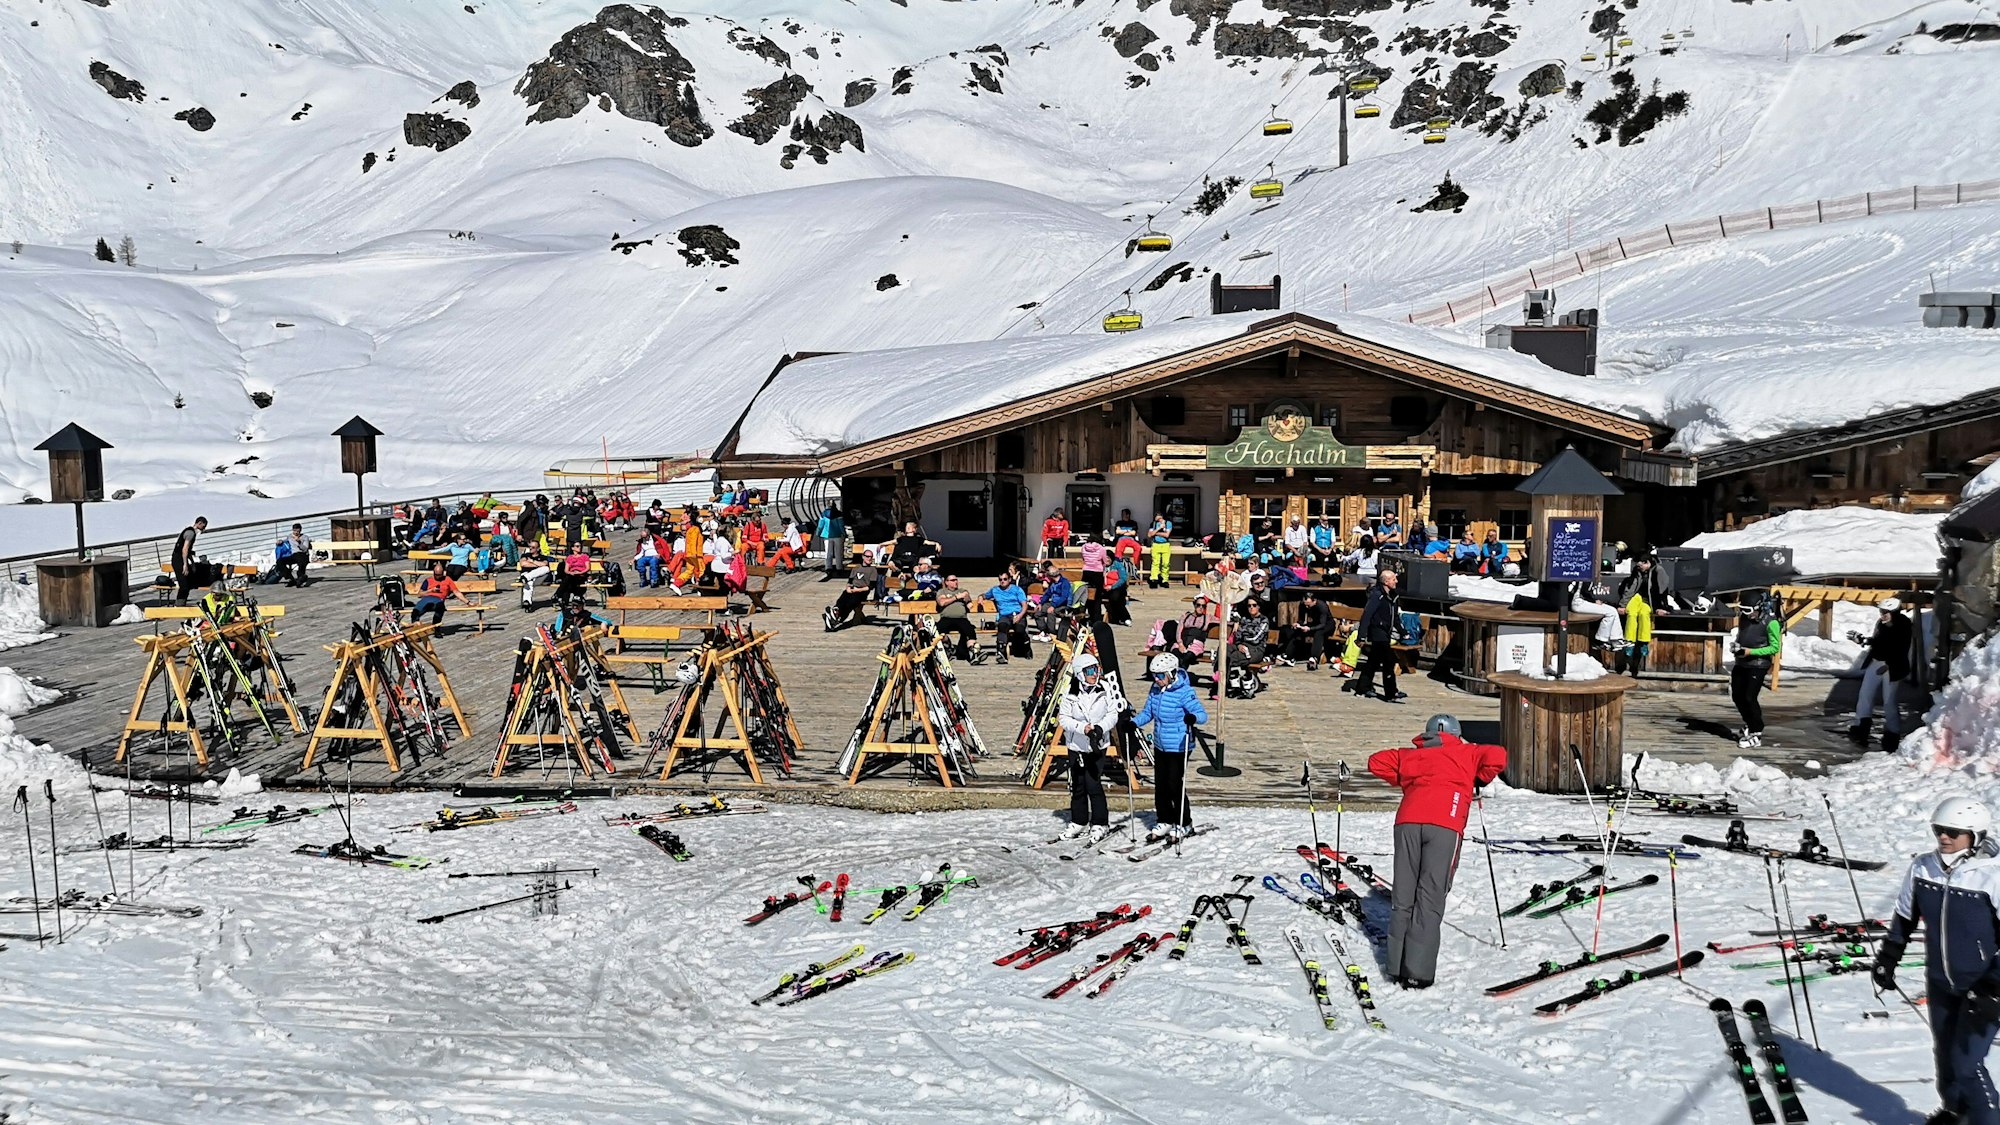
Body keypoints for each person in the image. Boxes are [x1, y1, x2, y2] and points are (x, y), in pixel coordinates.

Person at [1874, 797, 2000, 1125]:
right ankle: (1955, 1112)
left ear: (1974, 836)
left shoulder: (1992, 875)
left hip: (1983, 988)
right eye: (1939, 830)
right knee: (1944, 1055)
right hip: (1941, 981)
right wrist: (1889, 957)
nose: (1944, 837)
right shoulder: (1922, 867)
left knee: (1966, 1064)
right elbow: (1904, 916)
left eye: (1953, 832)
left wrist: (1993, 990)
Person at [1367, 714, 1508, 988]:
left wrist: (1407, 779)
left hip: (1407, 821)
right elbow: (1498, 755)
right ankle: (1417, 972)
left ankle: (1396, 965)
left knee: (1404, 894)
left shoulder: (1411, 755)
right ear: (1457, 733)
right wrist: (1477, 776)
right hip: (1445, 821)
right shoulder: (1467, 752)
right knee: (1430, 894)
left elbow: (1376, 761)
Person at [1133, 653, 1208, 838]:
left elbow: (1202, 714)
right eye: (1154, 676)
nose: (1156, 679)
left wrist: (1193, 717)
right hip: (1160, 744)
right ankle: (1165, 819)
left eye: (1160, 676)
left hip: (1179, 746)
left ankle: (1185, 823)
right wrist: (1134, 722)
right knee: (1161, 785)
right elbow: (1147, 712)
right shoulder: (1155, 689)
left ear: (1171, 673)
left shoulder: (1184, 692)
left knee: (1174, 784)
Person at [1057, 653, 1120, 844]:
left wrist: (1100, 728)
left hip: (1097, 744)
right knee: (1078, 784)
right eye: (1090, 671)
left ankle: (1100, 822)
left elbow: (1113, 713)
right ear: (1080, 674)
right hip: (1076, 744)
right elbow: (1064, 718)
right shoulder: (1070, 692)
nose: (1095, 674)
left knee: (1093, 783)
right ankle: (1078, 820)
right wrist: (1081, 728)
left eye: (1097, 669)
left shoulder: (1105, 688)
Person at [1850, 598, 1915, 751]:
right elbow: (1879, 641)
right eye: (1881, 612)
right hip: (1877, 661)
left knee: (1889, 700)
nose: (1883, 615)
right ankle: (1861, 727)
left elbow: (1900, 648)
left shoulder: (1903, 625)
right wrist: (1864, 640)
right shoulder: (1882, 624)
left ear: (1895, 613)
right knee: (1865, 694)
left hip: (1893, 666)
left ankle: (1892, 733)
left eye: (1886, 612)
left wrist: (1887, 666)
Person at [1729, 593, 1782, 748]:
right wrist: (1737, 648)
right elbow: (1743, 635)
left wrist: (1750, 652)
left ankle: (1756, 731)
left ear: (1759, 608)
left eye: (1748, 610)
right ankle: (1749, 723)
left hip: (1758, 664)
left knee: (1749, 697)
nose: (1745, 614)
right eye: (1742, 610)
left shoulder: (1771, 623)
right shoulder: (1744, 619)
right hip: (1742, 662)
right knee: (1737, 696)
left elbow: (1775, 647)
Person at [1349, 568, 1405, 702]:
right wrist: (1361, 636)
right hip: (1377, 632)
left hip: (1386, 631)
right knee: (1388, 661)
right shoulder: (1377, 595)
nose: (1396, 581)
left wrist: (1403, 632)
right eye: (1393, 579)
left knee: (1373, 662)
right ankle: (1391, 693)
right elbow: (1366, 616)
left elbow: (1395, 617)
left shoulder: (1393, 596)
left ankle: (1362, 688)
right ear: (1386, 581)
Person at [985, 572, 1030, 664]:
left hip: (1017, 613)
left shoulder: (1017, 590)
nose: (1002, 581)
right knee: (1002, 627)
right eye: (1000, 579)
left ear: (1009, 579)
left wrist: (1020, 615)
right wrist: (981, 598)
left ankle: (1026, 645)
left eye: (1005, 579)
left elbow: (1024, 606)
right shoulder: (995, 590)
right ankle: (1001, 652)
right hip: (1004, 615)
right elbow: (984, 595)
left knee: (1019, 629)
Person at [933, 575, 979, 660]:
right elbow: (942, 603)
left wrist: (966, 597)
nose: (955, 582)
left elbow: (968, 600)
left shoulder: (962, 591)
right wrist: (956, 597)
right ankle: (948, 646)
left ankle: (973, 653)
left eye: (956, 580)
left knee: (969, 630)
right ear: (946, 582)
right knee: (937, 630)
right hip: (946, 618)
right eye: (952, 580)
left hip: (961, 619)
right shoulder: (942, 592)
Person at [1292, 589, 1337, 671]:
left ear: (1314, 601)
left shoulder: (1322, 606)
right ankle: (1290, 656)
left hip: (1328, 625)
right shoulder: (1303, 604)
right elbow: (1301, 619)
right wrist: (1298, 624)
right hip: (1315, 624)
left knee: (1319, 633)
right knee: (1296, 631)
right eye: (1305, 605)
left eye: (1309, 605)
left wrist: (1309, 628)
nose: (1307, 607)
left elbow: (1322, 624)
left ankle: (1314, 658)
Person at [1030, 564, 1076, 639]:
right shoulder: (1053, 583)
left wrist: (1053, 606)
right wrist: (1040, 603)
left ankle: (1051, 633)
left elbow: (1064, 597)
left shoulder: (1064, 582)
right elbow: (1047, 594)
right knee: (1038, 613)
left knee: (1051, 612)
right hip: (1053, 603)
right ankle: (1044, 631)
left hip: (1063, 604)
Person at [824, 566, 875, 631]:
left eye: (870, 556)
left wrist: (858, 590)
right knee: (843, 597)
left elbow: (871, 586)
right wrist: (848, 587)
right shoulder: (856, 568)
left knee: (850, 603)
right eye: (867, 556)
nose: (869, 558)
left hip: (862, 592)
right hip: (852, 589)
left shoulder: (872, 570)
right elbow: (849, 581)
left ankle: (835, 618)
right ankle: (836, 610)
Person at [172, 516, 208, 604]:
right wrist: (185, 565)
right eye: (203, 526)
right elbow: (185, 549)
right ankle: (179, 604)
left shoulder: (190, 532)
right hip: (178, 560)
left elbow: (188, 551)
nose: (203, 529)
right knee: (184, 585)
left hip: (180, 559)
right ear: (199, 523)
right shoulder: (190, 533)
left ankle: (181, 603)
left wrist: (192, 563)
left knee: (188, 583)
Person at [1617, 586, 1652, 678]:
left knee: (1644, 615)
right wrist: (1622, 605)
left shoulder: (1657, 572)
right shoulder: (1635, 576)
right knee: (1631, 615)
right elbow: (1628, 591)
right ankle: (1629, 642)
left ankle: (1644, 642)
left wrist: (1660, 606)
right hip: (1634, 598)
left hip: (1647, 600)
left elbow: (1660, 590)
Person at [273, 523, 311, 587]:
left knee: (301, 562)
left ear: (300, 531)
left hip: (303, 554)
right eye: (294, 531)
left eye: (298, 531)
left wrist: (299, 543)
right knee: (280, 561)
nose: (296, 533)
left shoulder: (305, 537)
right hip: (294, 555)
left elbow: (305, 549)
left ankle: (301, 577)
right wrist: (280, 542)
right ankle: (290, 578)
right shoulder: (290, 536)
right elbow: (285, 541)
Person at [1102, 554, 1132, 627]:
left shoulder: (1118, 565)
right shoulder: (1101, 566)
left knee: (1116, 598)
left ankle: (1125, 617)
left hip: (1117, 586)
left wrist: (1112, 587)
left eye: (1108, 558)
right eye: (1105, 558)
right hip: (1104, 588)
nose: (1107, 560)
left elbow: (1123, 578)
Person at [1147, 514, 1175, 589]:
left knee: (1166, 563)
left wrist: (1155, 533)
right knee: (1155, 563)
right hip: (1156, 544)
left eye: (1157, 515)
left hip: (1165, 545)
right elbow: (1150, 535)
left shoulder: (1168, 523)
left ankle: (1164, 579)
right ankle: (1154, 579)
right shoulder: (1153, 524)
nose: (1155, 517)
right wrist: (1159, 528)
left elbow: (1167, 535)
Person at [817, 506, 846, 578]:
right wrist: (844, 534)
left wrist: (818, 533)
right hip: (838, 535)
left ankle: (828, 568)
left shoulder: (823, 514)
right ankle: (839, 568)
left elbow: (820, 525)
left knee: (828, 553)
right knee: (838, 552)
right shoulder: (838, 514)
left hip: (826, 535)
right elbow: (841, 525)